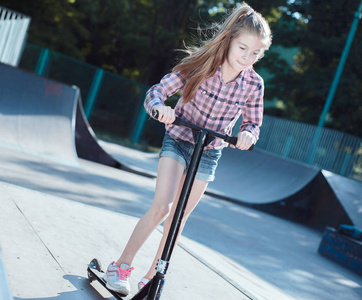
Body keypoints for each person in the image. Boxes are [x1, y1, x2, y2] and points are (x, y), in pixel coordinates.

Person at [103, 2, 272, 296]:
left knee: (178, 218)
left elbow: (254, 124)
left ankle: (151, 277)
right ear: (230, 40)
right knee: (163, 207)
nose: (247, 57)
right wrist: (160, 108)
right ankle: (120, 266)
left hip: (209, 152)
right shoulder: (201, 64)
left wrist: (247, 134)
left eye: (255, 53)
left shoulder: (254, 85)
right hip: (179, 138)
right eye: (243, 48)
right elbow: (156, 92)